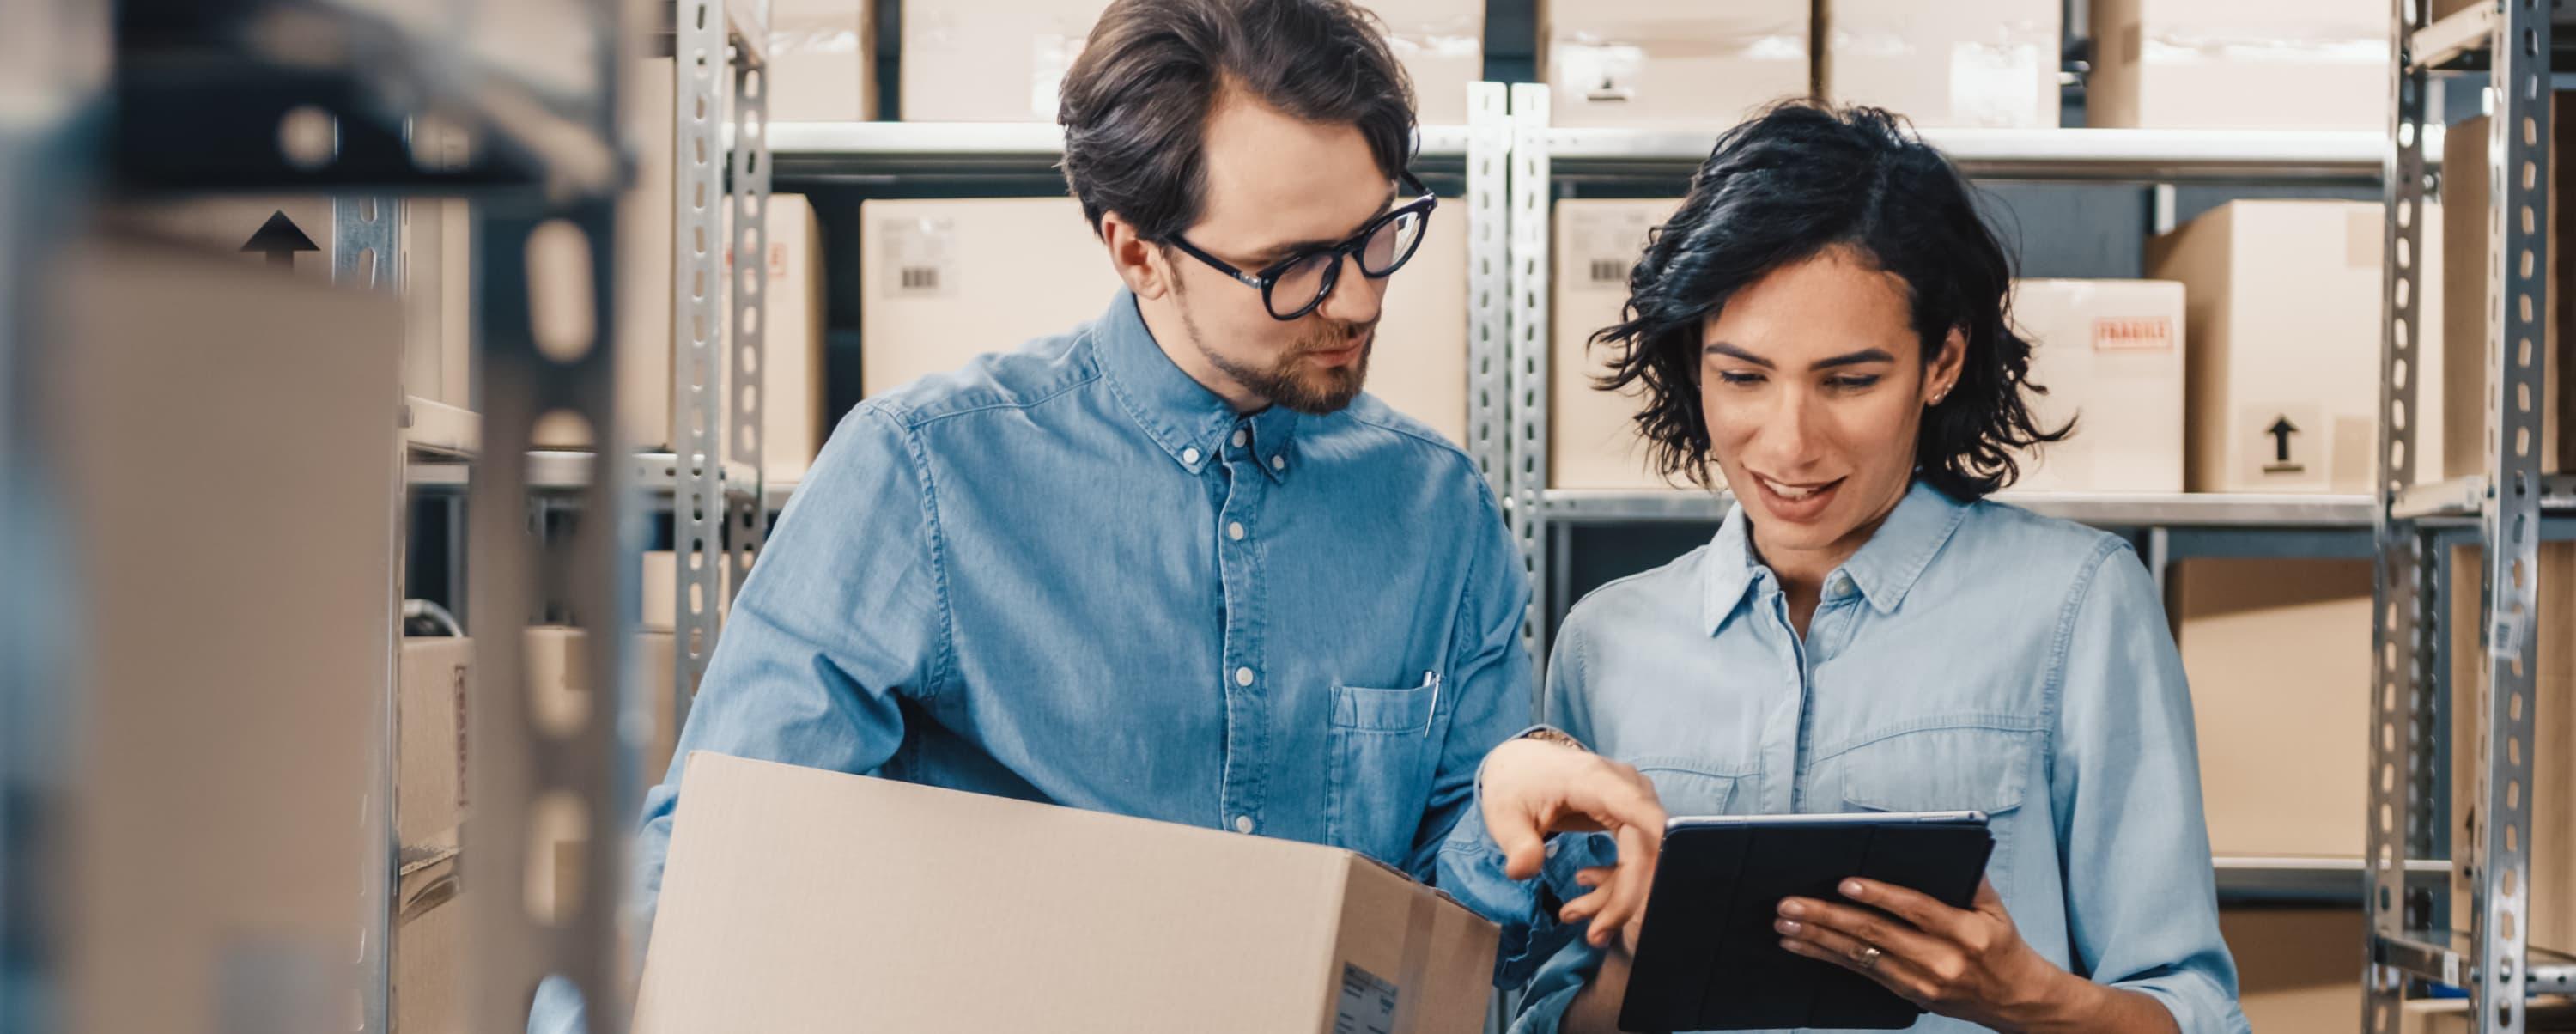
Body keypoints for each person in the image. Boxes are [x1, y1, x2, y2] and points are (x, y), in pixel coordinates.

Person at [634, 0, 1662, 996]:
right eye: (1293, 265)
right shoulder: (923, 478)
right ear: (1136, 252)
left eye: (1377, 232)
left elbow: (1457, 940)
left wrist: (1502, 817)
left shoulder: (1437, 510)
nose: (1357, 297)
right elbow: (707, 868)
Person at [1510, 103, 2251, 1033]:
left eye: (1850, 380)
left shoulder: (2076, 605)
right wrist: (1634, 961)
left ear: (1941, 359)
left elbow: (2194, 1010)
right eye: (1742, 376)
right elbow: (1545, 1013)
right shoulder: (1605, 643)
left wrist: (2025, 995)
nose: (1789, 441)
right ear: (1692, 360)